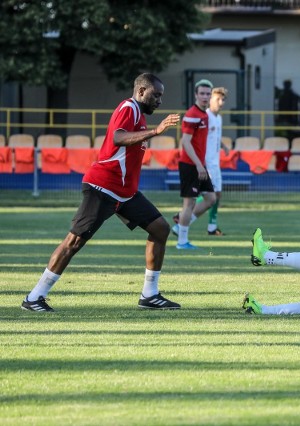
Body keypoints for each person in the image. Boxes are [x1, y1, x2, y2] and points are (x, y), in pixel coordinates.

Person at [21, 73, 182, 312]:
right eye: (156, 95)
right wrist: (155, 131)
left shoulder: (138, 116)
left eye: (161, 96)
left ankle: (150, 294)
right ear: (140, 92)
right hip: (103, 188)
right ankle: (34, 297)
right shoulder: (129, 107)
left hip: (124, 193)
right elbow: (118, 137)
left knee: (160, 229)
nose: (159, 100)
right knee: (73, 241)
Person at [171, 79, 216, 249]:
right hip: (190, 165)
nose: (205, 96)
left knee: (211, 199)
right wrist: (198, 164)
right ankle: (182, 242)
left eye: (207, 94)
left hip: (199, 165)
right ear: (196, 95)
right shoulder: (192, 115)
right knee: (188, 204)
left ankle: (179, 226)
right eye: (202, 93)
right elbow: (186, 142)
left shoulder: (204, 114)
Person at [203, 87, 229, 235]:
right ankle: (181, 217)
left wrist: (223, 145)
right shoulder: (205, 117)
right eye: (218, 99)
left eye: (223, 99)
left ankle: (212, 227)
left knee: (217, 195)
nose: (221, 102)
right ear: (210, 100)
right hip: (207, 163)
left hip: (215, 162)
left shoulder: (218, 118)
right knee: (210, 196)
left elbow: (215, 137)